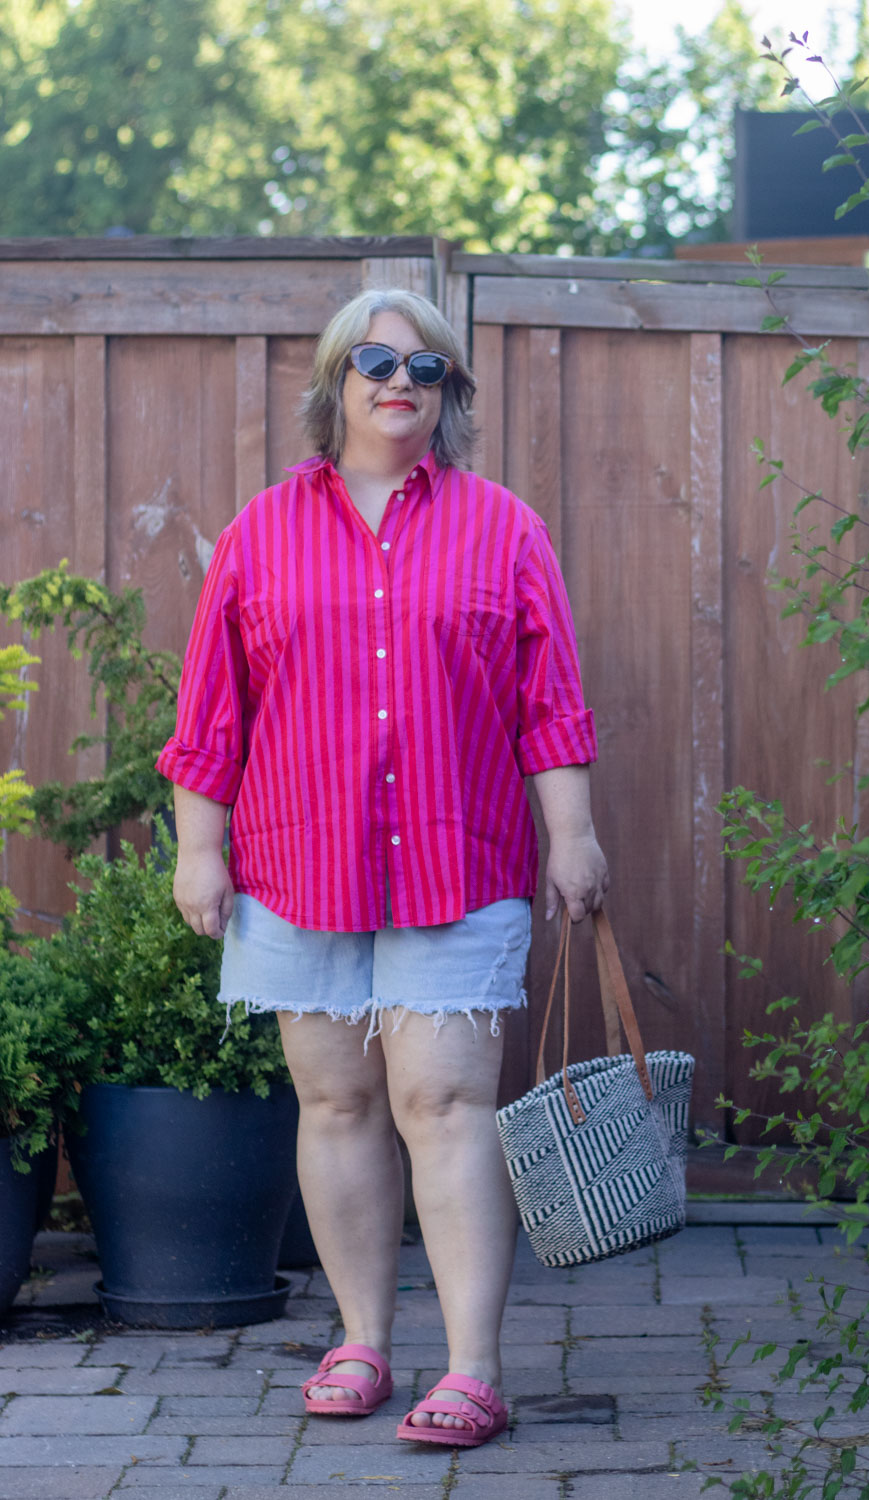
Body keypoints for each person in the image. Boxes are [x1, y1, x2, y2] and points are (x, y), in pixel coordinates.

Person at [156, 287, 608, 1448]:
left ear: (451, 392)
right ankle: (360, 1339)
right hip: (296, 865)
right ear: (333, 383)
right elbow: (212, 715)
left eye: (426, 369)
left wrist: (574, 834)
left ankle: (471, 1369)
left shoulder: (504, 528)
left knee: (445, 1102)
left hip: (457, 864)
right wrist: (198, 851)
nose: (399, 383)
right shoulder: (261, 533)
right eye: (374, 362)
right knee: (338, 1099)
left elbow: (547, 706)